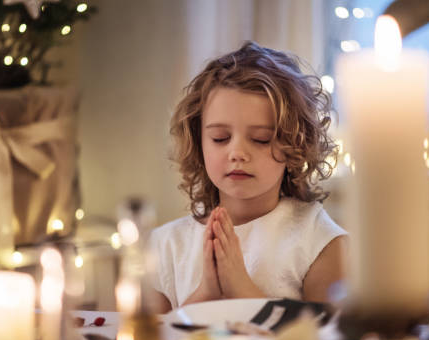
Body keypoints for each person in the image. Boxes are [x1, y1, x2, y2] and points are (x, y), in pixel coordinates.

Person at [149, 41, 347, 313]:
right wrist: (206, 292)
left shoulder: (319, 240)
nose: (237, 153)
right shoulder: (166, 245)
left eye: (261, 139)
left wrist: (240, 287)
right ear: (199, 141)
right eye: (220, 138)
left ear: (295, 146)